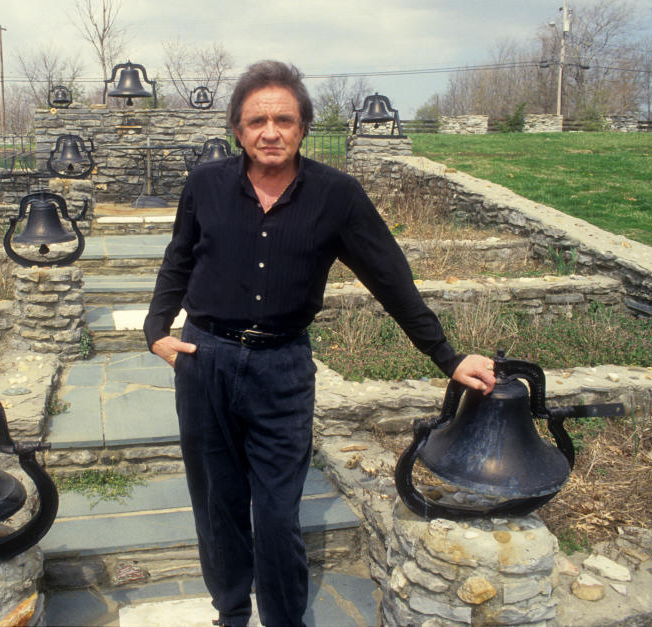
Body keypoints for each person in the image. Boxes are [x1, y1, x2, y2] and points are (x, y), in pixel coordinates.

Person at [143, 60, 496, 627]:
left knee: (278, 512)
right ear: (238, 128)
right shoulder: (205, 184)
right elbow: (178, 257)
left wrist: (448, 358)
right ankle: (231, 612)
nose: (270, 131)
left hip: (281, 368)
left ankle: (284, 619)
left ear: (304, 126)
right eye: (257, 120)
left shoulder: (338, 196)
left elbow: (391, 280)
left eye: (284, 119)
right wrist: (156, 330)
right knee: (218, 503)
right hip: (204, 359)